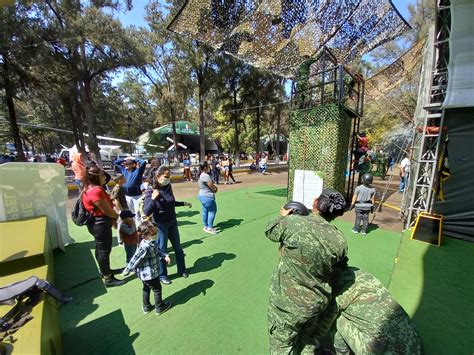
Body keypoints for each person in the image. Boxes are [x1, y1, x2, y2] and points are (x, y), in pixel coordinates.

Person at [266, 189, 348, 354]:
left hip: (287, 304)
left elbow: (270, 230)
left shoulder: (294, 223)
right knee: (307, 342)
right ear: (337, 215)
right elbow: (339, 269)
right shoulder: (340, 240)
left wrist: (283, 215)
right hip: (316, 304)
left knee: (282, 344)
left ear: (315, 203)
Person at [318, 267, 423, 354]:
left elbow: (322, 327)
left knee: (337, 320)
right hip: (415, 345)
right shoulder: (361, 274)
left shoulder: (335, 289)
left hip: (386, 351)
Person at [143, 166, 192, 285]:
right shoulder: (151, 190)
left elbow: (170, 202)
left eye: (169, 177)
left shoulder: (168, 187)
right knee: (162, 251)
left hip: (172, 222)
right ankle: (162, 275)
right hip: (160, 225)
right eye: (166, 177)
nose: (168, 179)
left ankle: (182, 270)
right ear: (158, 176)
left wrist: (183, 203)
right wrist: (153, 199)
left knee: (178, 248)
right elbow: (146, 211)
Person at [81, 166, 125, 287]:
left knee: (101, 249)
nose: (105, 177)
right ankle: (108, 278)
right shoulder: (95, 191)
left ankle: (105, 271)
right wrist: (116, 216)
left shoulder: (92, 188)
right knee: (104, 251)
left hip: (98, 223)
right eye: (102, 175)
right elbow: (106, 210)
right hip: (100, 223)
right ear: (95, 178)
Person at [122, 221, 172, 315]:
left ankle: (146, 306)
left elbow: (157, 250)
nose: (156, 235)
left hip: (145, 275)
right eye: (153, 234)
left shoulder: (151, 242)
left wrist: (165, 255)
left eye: (156, 232)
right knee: (157, 289)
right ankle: (159, 307)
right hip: (150, 274)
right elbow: (135, 259)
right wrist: (127, 270)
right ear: (145, 236)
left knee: (146, 288)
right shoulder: (145, 247)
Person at [113, 157, 147, 223]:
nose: (126, 166)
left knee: (138, 212)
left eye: (128, 164)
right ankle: (134, 226)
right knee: (132, 212)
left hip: (137, 196)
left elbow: (143, 162)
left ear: (133, 165)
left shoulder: (138, 171)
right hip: (127, 196)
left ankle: (139, 226)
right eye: (125, 164)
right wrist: (124, 159)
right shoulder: (124, 170)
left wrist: (134, 158)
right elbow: (115, 163)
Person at [198, 162, 219, 235]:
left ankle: (206, 226)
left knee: (205, 211)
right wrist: (216, 189)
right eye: (208, 166)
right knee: (212, 211)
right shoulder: (205, 176)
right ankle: (210, 227)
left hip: (202, 195)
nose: (209, 167)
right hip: (207, 196)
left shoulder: (202, 175)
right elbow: (211, 186)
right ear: (205, 168)